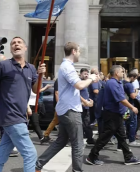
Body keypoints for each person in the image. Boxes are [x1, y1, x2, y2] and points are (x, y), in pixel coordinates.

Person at [0, 36, 46, 172]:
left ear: (25, 48)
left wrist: (41, 75)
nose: (16, 44)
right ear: (11, 49)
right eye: (13, 43)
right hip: (11, 116)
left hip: (21, 116)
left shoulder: (31, 68)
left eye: (19, 42)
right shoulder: (4, 65)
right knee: (30, 154)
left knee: (1, 155)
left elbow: (35, 89)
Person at [35, 42, 99, 172]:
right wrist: (91, 78)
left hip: (66, 109)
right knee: (78, 144)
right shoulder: (67, 67)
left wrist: (84, 102)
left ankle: (38, 164)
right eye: (79, 51)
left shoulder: (67, 66)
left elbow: (73, 90)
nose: (80, 54)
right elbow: (80, 86)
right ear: (74, 51)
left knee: (61, 141)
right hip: (71, 111)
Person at [85, 65, 140, 166]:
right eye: (122, 72)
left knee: (122, 137)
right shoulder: (112, 83)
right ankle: (92, 156)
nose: (123, 73)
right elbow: (120, 99)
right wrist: (132, 107)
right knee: (105, 137)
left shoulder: (118, 83)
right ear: (116, 73)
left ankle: (128, 157)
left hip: (117, 114)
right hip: (112, 115)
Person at [78, 68, 96, 146]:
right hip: (81, 107)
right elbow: (77, 94)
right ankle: (90, 139)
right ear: (80, 74)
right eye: (84, 74)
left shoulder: (85, 83)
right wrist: (84, 101)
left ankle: (89, 138)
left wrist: (89, 100)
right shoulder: (80, 83)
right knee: (86, 124)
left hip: (86, 106)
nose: (86, 75)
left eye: (87, 74)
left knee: (85, 124)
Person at [41, 78, 59, 144]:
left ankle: (46, 135)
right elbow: (57, 93)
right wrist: (59, 104)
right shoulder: (59, 80)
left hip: (62, 105)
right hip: (60, 105)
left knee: (56, 121)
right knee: (57, 121)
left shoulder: (62, 80)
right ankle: (46, 135)